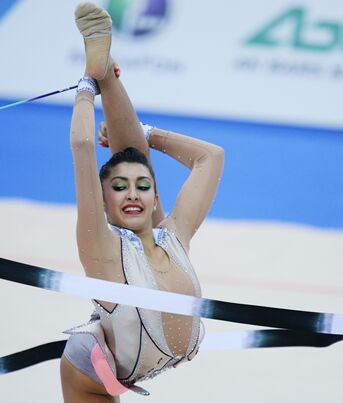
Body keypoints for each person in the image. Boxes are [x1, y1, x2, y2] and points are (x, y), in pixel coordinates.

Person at [61, 3, 224, 401]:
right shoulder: (101, 250)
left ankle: (108, 66)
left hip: (144, 357)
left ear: (155, 197)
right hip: (94, 372)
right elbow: (83, 146)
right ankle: (103, 64)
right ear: (103, 200)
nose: (132, 193)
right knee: (128, 159)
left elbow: (211, 157)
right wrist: (87, 82)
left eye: (142, 187)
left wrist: (148, 133)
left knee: (132, 157)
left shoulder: (176, 236)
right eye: (118, 188)